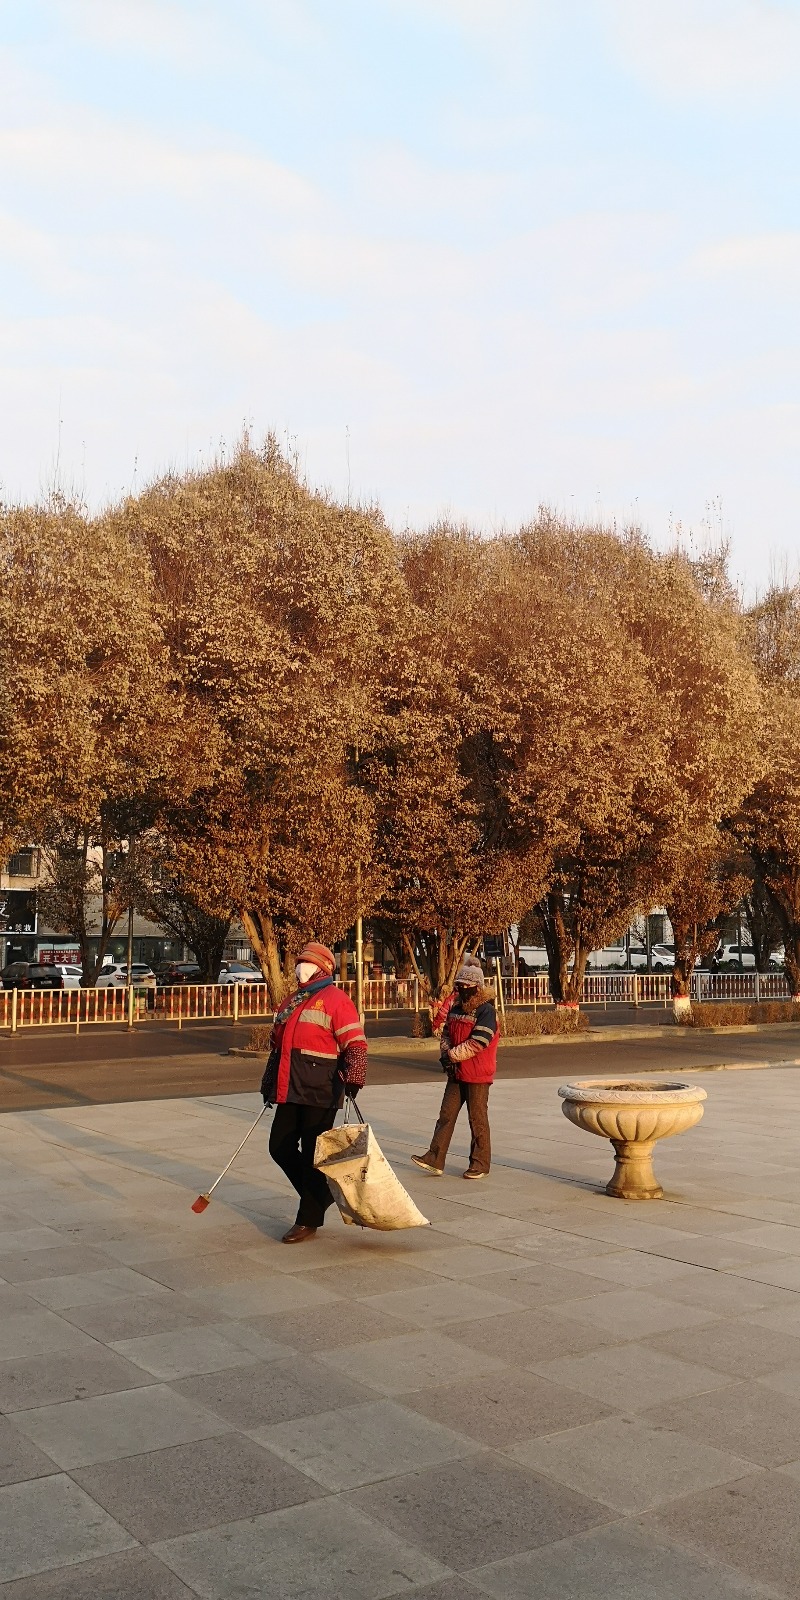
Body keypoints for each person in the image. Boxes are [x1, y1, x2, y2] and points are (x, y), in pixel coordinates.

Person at [261, 941, 367, 1243]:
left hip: (322, 1089)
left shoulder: (336, 1000)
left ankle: (307, 1218)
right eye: (299, 963)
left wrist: (354, 1077)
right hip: (290, 1087)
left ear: (322, 968)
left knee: (312, 1154)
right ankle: (321, 1195)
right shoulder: (292, 1001)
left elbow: (355, 1043)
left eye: (307, 964)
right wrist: (269, 1083)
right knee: (279, 1146)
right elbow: (277, 1047)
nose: (300, 969)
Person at [412, 960, 498, 1179]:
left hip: (477, 1074)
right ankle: (435, 1158)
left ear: (477, 987)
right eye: (459, 985)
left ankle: (480, 1163)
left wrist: (451, 1056)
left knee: (477, 1119)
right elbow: (447, 1033)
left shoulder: (486, 1011)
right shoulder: (456, 1007)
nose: (462, 989)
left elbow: (478, 1042)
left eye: (466, 986)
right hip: (457, 1072)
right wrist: (445, 1053)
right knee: (446, 1115)